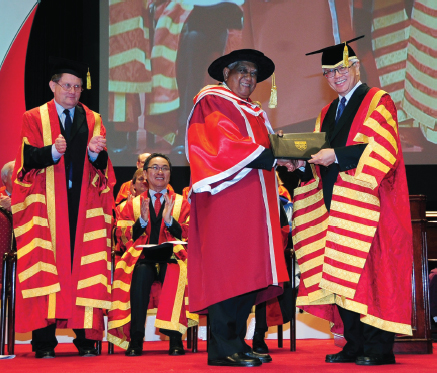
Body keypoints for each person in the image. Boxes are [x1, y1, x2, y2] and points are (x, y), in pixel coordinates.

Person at [291, 37, 413, 366]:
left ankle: (378, 349)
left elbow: (382, 148)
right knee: (341, 276)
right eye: (329, 72)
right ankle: (353, 344)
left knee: (370, 275)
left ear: (356, 66)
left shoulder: (377, 101)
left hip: (370, 204)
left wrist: (337, 155)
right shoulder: (325, 113)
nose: (336, 76)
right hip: (334, 205)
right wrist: (302, 165)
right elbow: (318, 165)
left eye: (342, 68)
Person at [186, 49, 292, 367]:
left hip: (254, 205)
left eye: (254, 73)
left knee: (250, 275)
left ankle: (237, 341)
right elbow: (225, 145)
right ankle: (221, 348)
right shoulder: (212, 100)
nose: (249, 77)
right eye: (242, 70)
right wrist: (276, 155)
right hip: (226, 204)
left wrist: (291, 153)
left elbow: (270, 148)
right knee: (228, 275)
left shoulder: (253, 111)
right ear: (226, 74)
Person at [11, 57, 116, 358]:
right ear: (53, 86)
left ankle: (86, 342)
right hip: (47, 206)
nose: (73, 91)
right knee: (46, 270)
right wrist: (52, 153)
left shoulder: (93, 119)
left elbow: (103, 169)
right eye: (67, 85)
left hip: (83, 207)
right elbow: (25, 158)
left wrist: (97, 156)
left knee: (86, 269)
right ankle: (43, 344)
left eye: (78, 87)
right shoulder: (34, 117)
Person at [108, 153, 196, 356]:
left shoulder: (182, 203)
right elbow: (119, 235)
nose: (160, 172)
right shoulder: (132, 204)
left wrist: (171, 222)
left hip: (173, 258)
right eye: (154, 168)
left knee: (175, 272)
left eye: (164, 168)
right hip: (142, 259)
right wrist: (142, 222)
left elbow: (193, 234)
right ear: (145, 174)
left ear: (170, 174)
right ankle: (136, 340)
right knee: (140, 275)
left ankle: (175, 340)